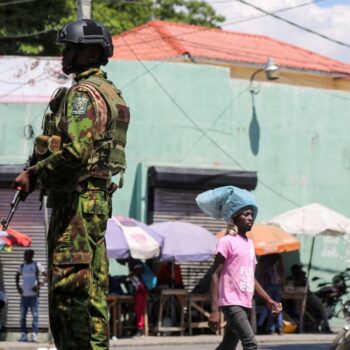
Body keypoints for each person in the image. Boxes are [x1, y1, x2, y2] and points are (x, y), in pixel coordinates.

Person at [14, 19, 130, 350]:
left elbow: (77, 152)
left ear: (91, 52)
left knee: (68, 293)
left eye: (70, 49)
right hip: (94, 203)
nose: (64, 55)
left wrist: (34, 174)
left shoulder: (82, 94)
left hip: (75, 205)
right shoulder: (110, 93)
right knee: (91, 291)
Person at [196, 186, 282, 350]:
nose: (251, 218)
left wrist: (268, 300)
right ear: (234, 218)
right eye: (246, 214)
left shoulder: (249, 244)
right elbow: (215, 275)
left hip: (246, 302)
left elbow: (251, 277)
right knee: (250, 344)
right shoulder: (226, 241)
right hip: (231, 302)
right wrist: (214, 310)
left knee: (228, 343)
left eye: (251, 214)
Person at [287, 264, 332, 333]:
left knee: (320, 305)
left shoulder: (303, 276)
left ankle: (326, 325)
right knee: (297, 309)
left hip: (308, 295)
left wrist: (301, 279)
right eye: (296, 270)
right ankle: (299, 327)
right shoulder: (291, 278)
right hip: (296, 296)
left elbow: (306, 287)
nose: (298, 271)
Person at [15, 249, 46, 342]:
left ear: (32, 256)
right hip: (24, 295)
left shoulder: (36, 265)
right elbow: (17, 275)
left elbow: (46, 275)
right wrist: (18, 288)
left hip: (34, 296)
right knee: (22, 316)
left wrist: (39, 285)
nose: (25, 256)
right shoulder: (22, 266)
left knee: (35, 316)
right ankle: (23, 335)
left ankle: (34, 335)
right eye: (25, 255)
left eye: (27, 255)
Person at [259, 253, 284, 335]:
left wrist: (260, 288)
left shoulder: (263, 258)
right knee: (278, 306)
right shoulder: (277, 257)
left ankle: (271, 328)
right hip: (277, 285)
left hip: (268, 285)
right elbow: (281, 271)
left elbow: (262, 273)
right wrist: (283, 285)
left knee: (270, 307)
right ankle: (279, 328)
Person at [128, 259, 148, 337]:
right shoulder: (134, 262)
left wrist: (131, 275)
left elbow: (138, 271)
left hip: (141, 292)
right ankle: (139, 328)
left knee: (139, 310)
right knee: (138, 310)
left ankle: (140, 329)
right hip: (139, 292)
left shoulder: (135, 262)